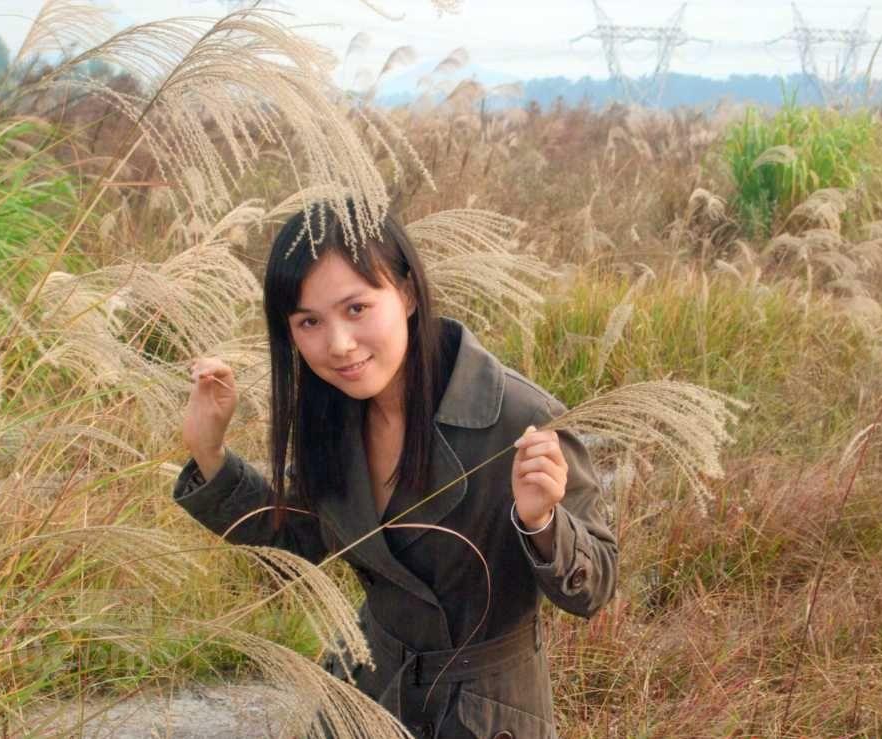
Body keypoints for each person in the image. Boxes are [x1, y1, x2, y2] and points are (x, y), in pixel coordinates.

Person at [173, 200, 618, 739]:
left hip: (484, 714)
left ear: (406, 294)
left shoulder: (519, 418)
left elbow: (594, 588)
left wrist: (543, 523)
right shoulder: (333, 414)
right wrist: (210, 453)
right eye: (309, 321)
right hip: (367, 688)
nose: (339, 345)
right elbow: (303, 539)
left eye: (357, 308)